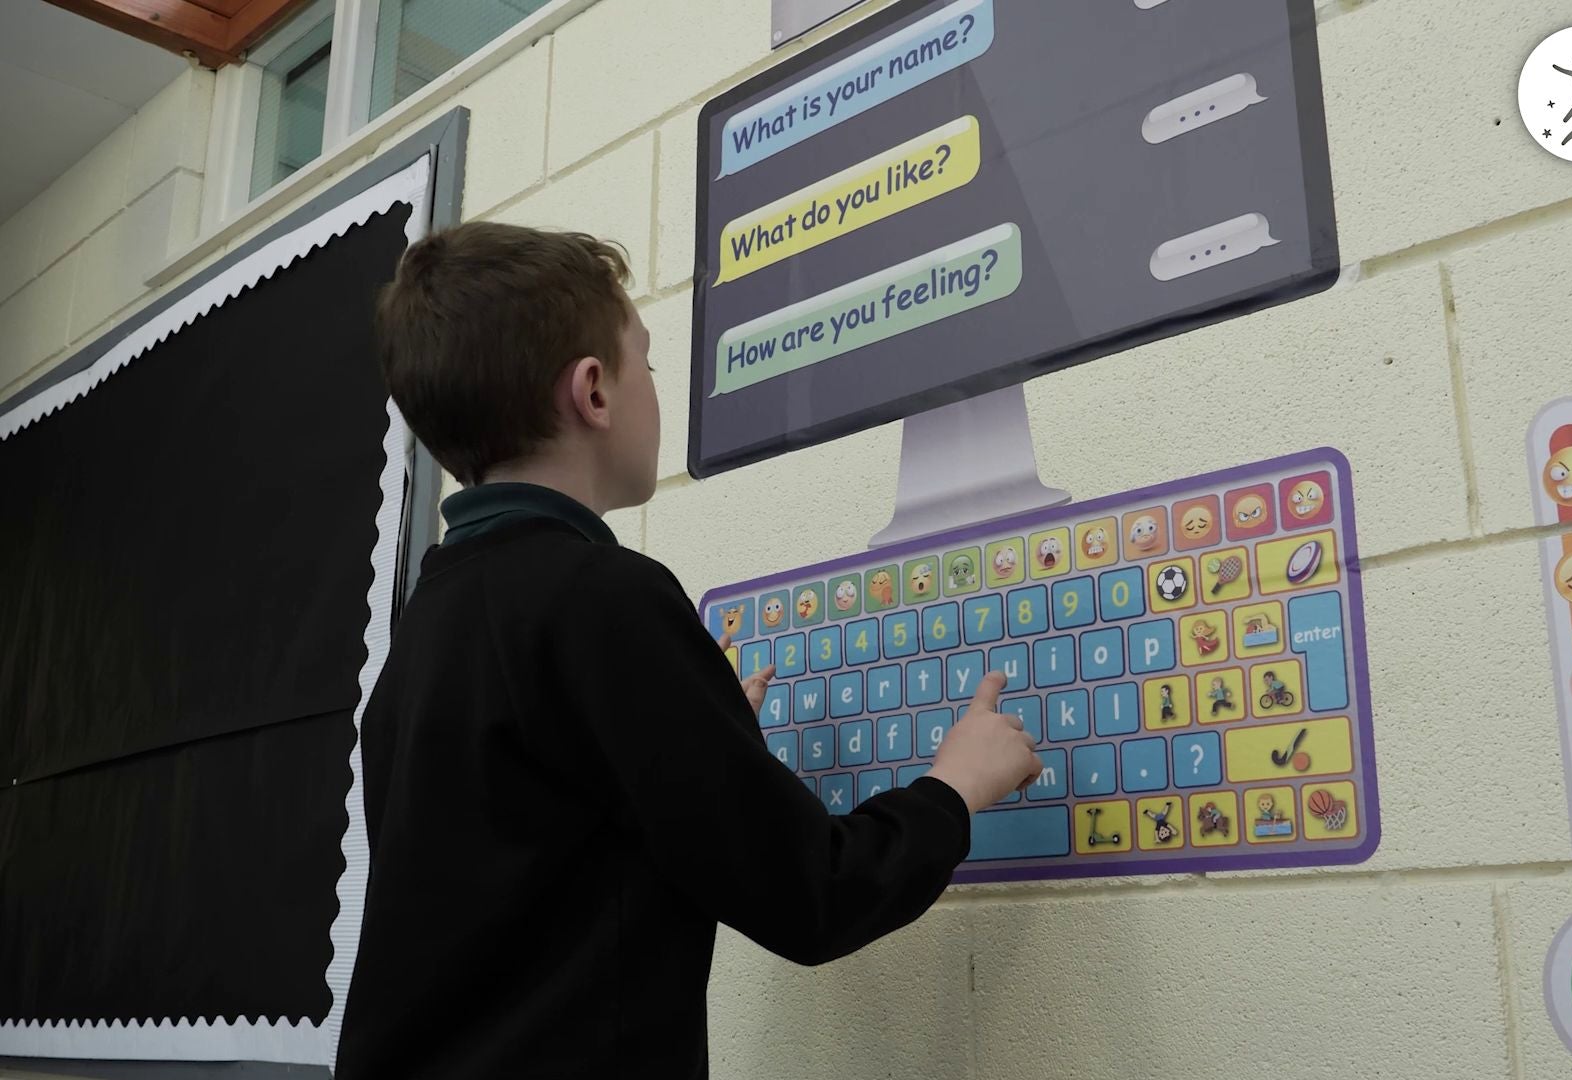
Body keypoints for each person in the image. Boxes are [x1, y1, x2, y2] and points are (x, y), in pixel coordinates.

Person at [335, 223, 1042, 1079]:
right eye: (649, 359)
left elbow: (535, 856)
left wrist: (691, 737)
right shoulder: (602, 598)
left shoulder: (430, 620)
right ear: (594, 391)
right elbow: (812, 894)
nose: (656, 386)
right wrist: (956, 786)